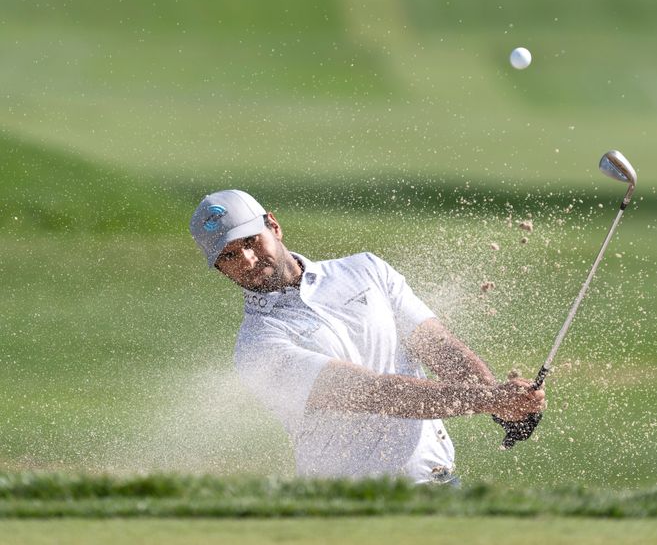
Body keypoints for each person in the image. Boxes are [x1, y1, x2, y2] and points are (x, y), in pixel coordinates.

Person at [189, 189, 545, 484]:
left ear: (274, 226)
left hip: (438, 485)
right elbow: (377, 393)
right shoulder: (258, 346)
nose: (248, 260)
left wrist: (502, 404)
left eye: (251, 241)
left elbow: (438, 346)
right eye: (229, 256)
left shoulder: (365, 269)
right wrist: (489, 399)